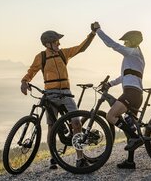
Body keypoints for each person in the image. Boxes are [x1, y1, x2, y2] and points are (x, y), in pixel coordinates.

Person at [21, 28, 95, 169]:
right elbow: (31, 71)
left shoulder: (63, 53)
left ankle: (80, 158)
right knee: (51, 126)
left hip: (66, 93)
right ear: (48, 44)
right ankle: (53, 157)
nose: (59, 43)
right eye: (56, 41)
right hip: (50, 94)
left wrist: (92, 34)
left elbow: (81, 48)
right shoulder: (41, 57)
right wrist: (24, 82)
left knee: (76, 123)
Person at [92, 22, 145, 169]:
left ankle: (135, 139)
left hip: (131, 93)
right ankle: (130, 161)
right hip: (135, 93)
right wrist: (110, 84)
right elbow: (125, 76)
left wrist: (98, 31)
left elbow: (113, 45)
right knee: (130, 126)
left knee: (110, 116)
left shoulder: (132, 51)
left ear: (133, 41)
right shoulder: (134, 57)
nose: (125, 43)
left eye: (127, 41)